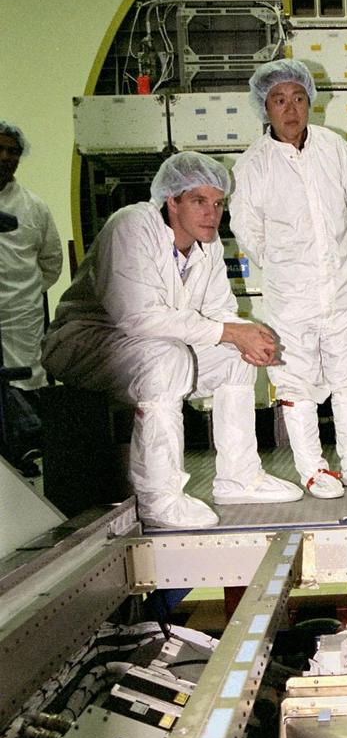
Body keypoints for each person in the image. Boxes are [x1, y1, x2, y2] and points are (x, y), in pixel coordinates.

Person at [43, 152, 302, 528]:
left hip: (146, 344)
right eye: (199, 201)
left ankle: (239, 477)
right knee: (169, 358)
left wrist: (248, 337)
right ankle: (159, 498)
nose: (211, 213)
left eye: (217, 203)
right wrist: (230, 332)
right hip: (84, 341)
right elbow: (138, 317)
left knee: (234, 357)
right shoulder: (131, 226)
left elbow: (218, 310)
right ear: (172, 200)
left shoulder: (208, 246)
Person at [230, 59, 347, 499]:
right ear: (266, 108)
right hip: (290, 298)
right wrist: (289, 263)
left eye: (297, 98)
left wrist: (325, 256)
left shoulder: (334, 147)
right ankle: (312, 469)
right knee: (298, 383)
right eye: (279, 100)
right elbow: (246, 228)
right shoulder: (253, 164)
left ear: (310, 101)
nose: (290, 109)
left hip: (344, 287)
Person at [0, 121, 62, 475]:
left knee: (25, 384)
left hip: (22, 317)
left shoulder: (33, 208)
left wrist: (24, 293)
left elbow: (51, 262)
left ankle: (26, 456)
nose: (6, 157)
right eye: (0, 149)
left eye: (13, 151)